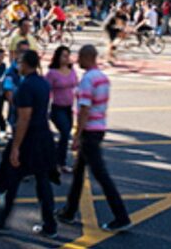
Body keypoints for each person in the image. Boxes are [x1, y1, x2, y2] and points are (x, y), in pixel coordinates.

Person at [0, 50, 58, 238]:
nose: (17, 65)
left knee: (10, 180)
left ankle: (1, 220)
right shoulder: (43, 83)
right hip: (44, 137)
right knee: (43, 181)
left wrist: (15, 147)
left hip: (29, 140)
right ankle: (50, 225)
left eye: (19, 62)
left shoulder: (26, 87)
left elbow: (23, 119)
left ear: (27, 64)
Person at [56, 44, 131, 233]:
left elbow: (84, 109)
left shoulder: (88, 80)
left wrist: (77, 135)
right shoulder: (103, 78)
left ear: (86, 57)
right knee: (78, 172)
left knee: (101, 175)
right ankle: (69, 211)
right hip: (99, 128)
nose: (77, 60)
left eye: (79, 57)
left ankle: (121, 217)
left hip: (89, 132)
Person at [46, 45, 79, 173]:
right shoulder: (52, 73)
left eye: (68, 55)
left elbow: (77, 85)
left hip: (68, 107)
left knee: (65, 135)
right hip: (57, 107)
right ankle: (59, 161)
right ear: (58, 57)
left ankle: (60, 161)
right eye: (64, 55)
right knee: (65, 132)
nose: (66, 58)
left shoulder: (72, 70)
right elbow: (46, 90)